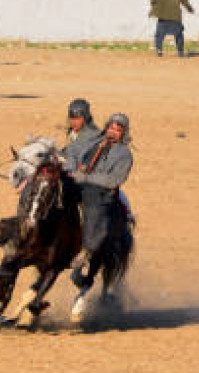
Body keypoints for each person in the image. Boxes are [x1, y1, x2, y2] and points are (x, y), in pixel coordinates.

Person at [67, 114, 134, 298]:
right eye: (111, 128)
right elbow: (72, 151)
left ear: (123, 133)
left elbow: (114, 180)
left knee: (93, 209)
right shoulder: (93, 142)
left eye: (118, 130)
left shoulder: (124, 155)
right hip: (79, 183)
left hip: (101, 194)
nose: (113, 132)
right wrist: (72, 168)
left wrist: (87, 178)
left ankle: (88, 249)